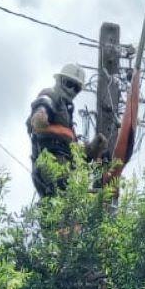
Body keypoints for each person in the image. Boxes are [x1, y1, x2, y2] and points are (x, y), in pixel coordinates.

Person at [27, 64, 102, 197]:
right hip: (50, 164)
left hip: (64, 167)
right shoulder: (49, 97)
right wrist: (40, 116)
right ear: (59, 80)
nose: (72, 90)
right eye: (69, 84)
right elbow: (40, 114)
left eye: (77, 88)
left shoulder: (66, 114)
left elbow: (71, 149)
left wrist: (90, 150)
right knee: (64, 203)